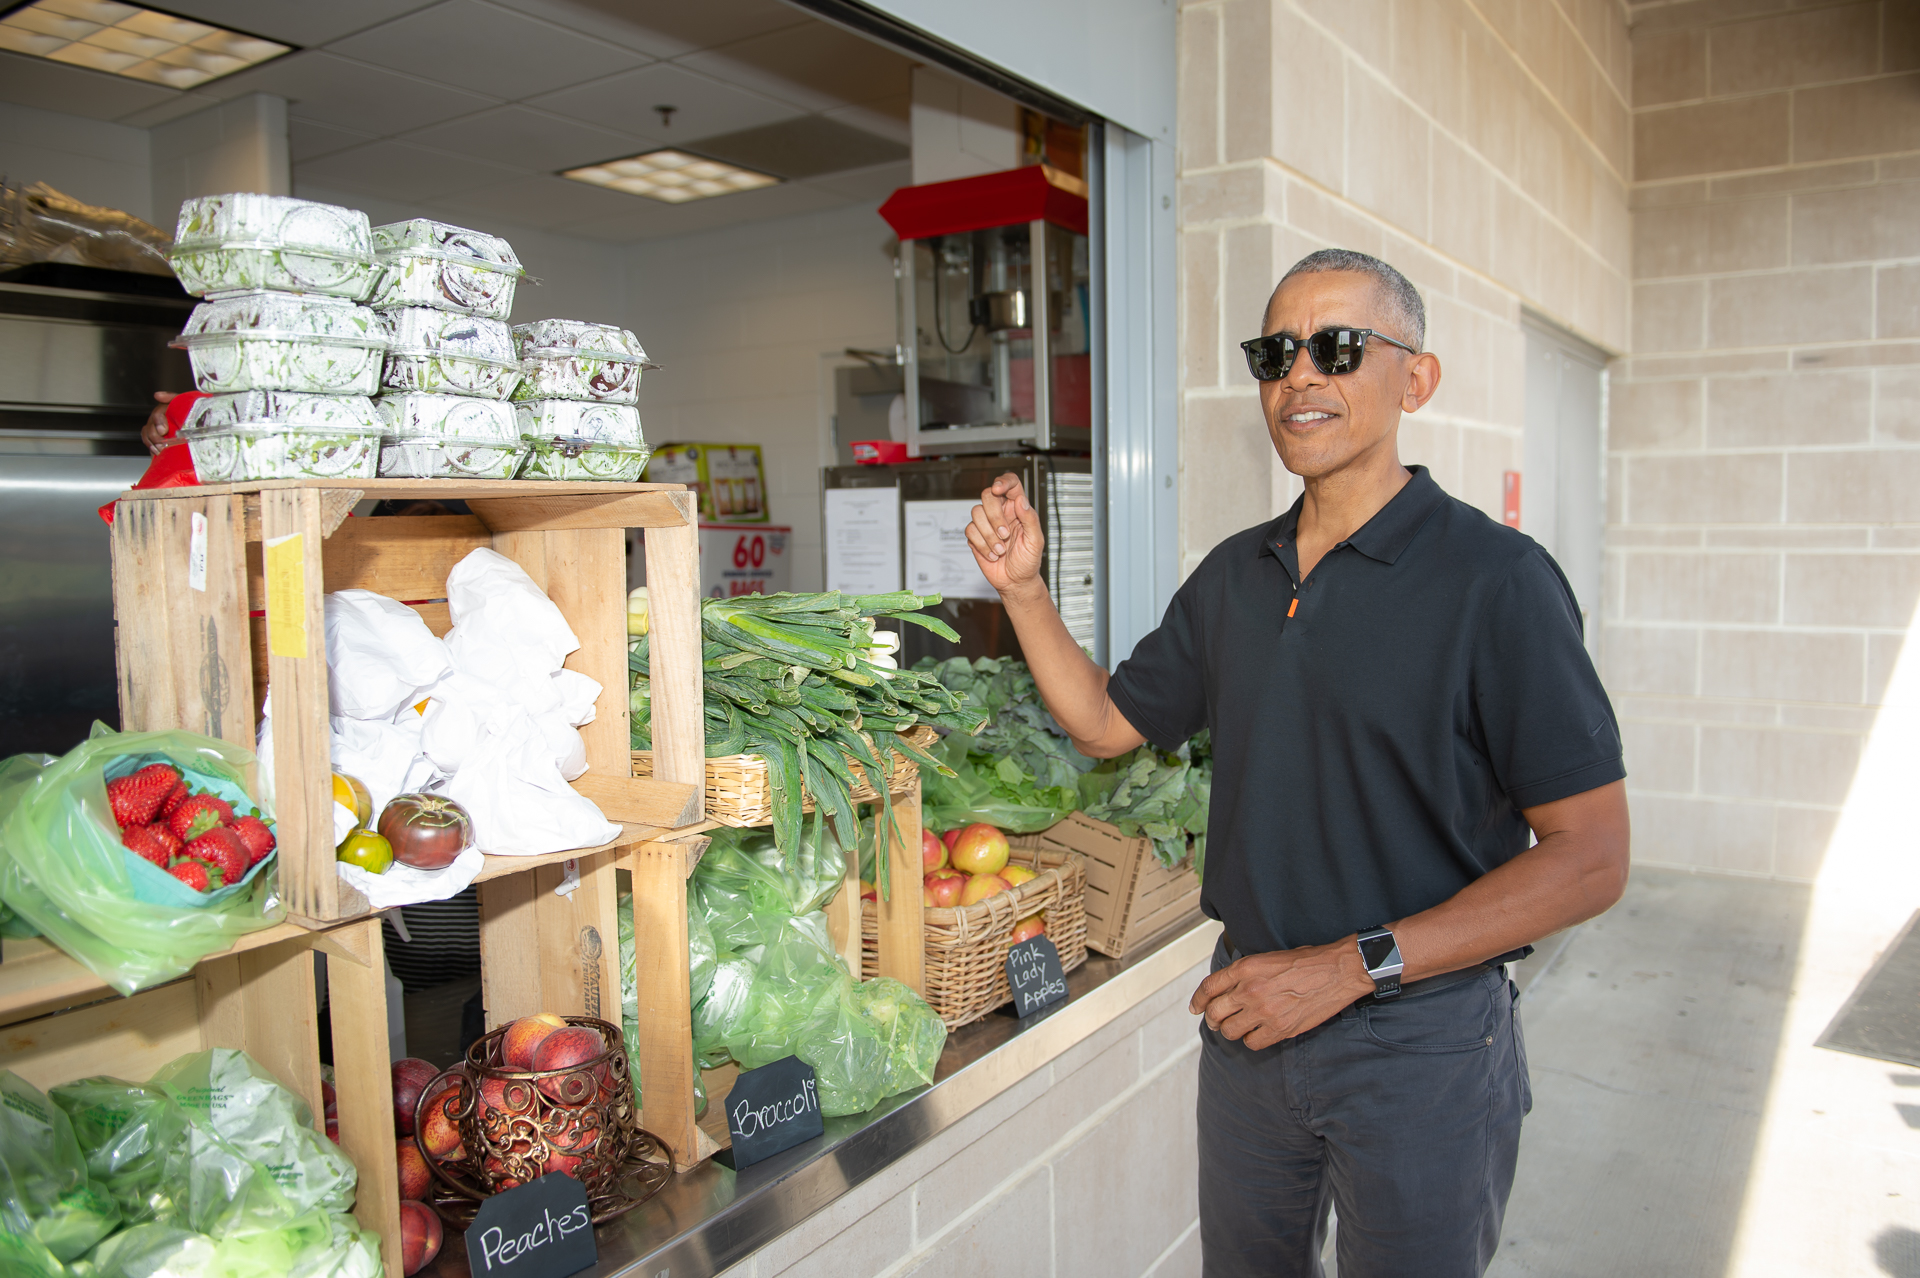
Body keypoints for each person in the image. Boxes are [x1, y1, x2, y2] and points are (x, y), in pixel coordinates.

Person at [964, 249, 1629, 1277]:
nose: (1301, 376)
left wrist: (1351, 968)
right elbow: (1103, 724)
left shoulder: (1496, 582)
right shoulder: (1237, 573)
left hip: (1422, 1041)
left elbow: (1591, 859)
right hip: (1249, 1030)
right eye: (1278, 353)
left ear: (1416, 379)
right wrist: (1024, 593)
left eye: (1339, 348)